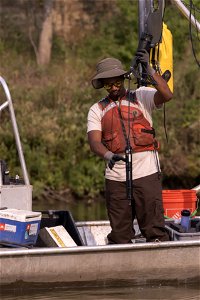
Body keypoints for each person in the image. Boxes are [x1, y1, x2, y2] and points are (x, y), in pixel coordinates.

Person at [87, 50, 173, 244]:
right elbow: (94, 142)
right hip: (116, 177)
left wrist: (149, 69)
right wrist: (109, 155)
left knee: (154, 228)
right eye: (108, 84)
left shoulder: (142, 96)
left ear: (123, 79)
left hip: (147, 173)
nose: (113, 87)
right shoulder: (97, 109)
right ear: (103, 85)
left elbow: (167, 94)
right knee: (120, 234)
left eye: (117, 82)